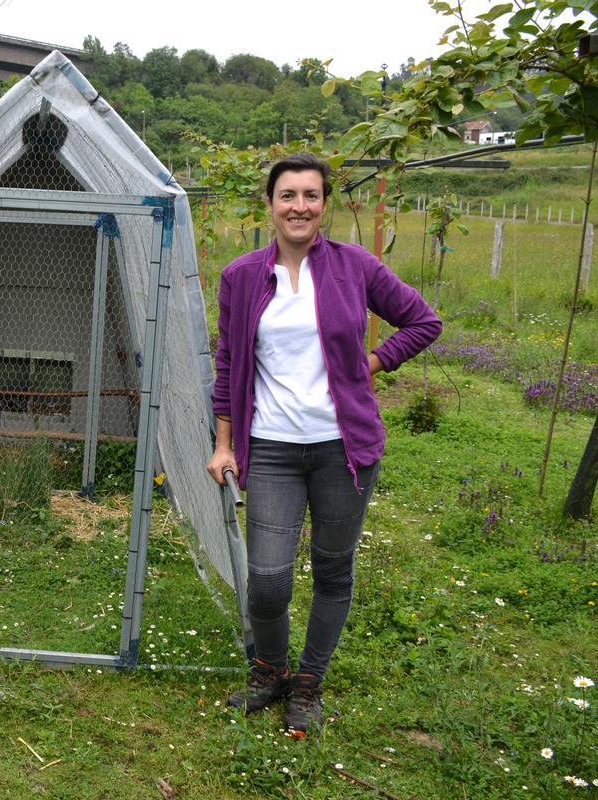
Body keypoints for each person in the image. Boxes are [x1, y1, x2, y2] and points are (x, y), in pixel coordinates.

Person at [206, 152, 441, 737]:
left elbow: (423, 321)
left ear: (325, 206)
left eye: (311, 196)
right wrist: (223, 442)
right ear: (270, 204)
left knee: (333, 571)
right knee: (267, 578)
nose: (299, 207)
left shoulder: (353, 266)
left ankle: (307, 683)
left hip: (344, 451)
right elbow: (229, 362)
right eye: (288, 195)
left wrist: (376, 359)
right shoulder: (240, 275)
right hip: (274, 449)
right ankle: (269, 670)